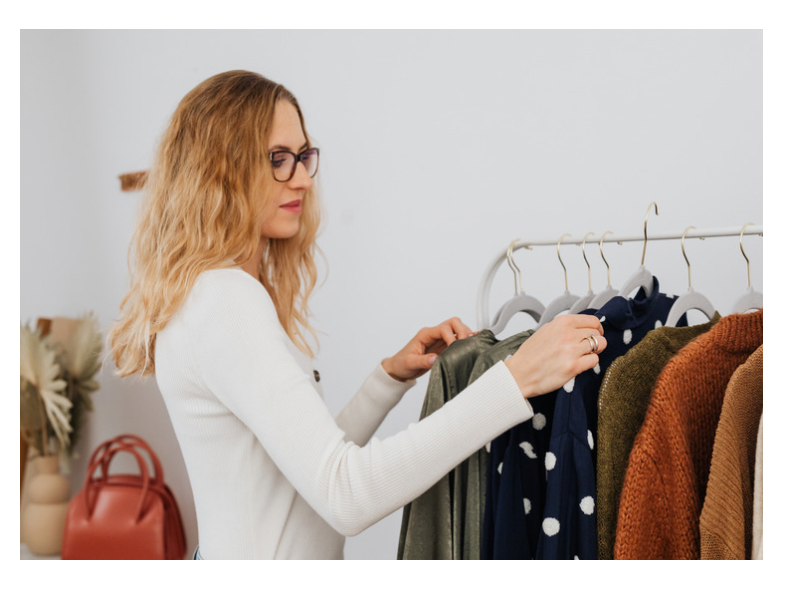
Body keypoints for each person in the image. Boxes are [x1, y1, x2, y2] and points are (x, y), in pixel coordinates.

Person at [109, 70, 606, 559]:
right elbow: (346, 495)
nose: (302, 178)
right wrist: (513, 380)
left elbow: (298, 480)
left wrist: (386, 380)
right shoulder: (224, 299)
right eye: (279, 159)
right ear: (219, 169)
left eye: (303, 156)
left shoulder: (215, 294)